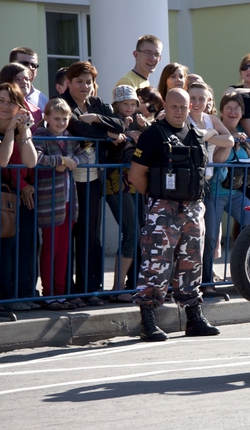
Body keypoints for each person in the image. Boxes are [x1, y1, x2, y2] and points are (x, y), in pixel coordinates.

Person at [128, 88, 219, 341]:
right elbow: (135, 175)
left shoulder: (196, 134)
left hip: (193, 208)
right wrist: (158, 200)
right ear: (165, 107)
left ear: (190, 108)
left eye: (183, 107)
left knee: (191, 264)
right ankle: (148, 320)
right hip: (164, 210)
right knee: (156, 264)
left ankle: (194, 318)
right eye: (174, 106)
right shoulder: (153, 135)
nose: (179, 111)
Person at [59, 61, 127, 297]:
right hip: (66, 177)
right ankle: (65, 289)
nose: (84, 86)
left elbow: (120, 123)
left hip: (93, 177)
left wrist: (97, 119)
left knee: (90, 233)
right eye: (79, 81)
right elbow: (77, 128)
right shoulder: (62, 103)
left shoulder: (97, 104)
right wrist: (108, 134)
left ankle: (89, 288)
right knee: (68, 234)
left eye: (88, 82)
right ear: (69, 82)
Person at [0, 83, 37, 311]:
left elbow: (30, 161)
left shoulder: (19, 123)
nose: (5, 106)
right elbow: (2, 159)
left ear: (19, 107)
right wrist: (12, 130)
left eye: (11, 102)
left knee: (3, 244)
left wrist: (23, 130)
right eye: (0, 101)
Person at [202, 92, 250, 292]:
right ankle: (206, 282)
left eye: (237, 109)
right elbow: (218, 159)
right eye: (229, 108)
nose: (233, 112)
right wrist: (230, 140)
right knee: (210, 237)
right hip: (214, 193)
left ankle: (248, 272)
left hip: (234, 193)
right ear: (221, 111)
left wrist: (243, 142)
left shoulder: (242, 133)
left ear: (242, 113)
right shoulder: (218, 132)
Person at [34, 99, 90, 310]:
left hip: (69, 200)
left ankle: (60, 292)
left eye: (65, 119)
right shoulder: (41, 135)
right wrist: (61, 161)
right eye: (56, 118)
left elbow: (85, 155)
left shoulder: (69, 137)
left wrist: (70, 161)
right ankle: (48, 293)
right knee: (50, 248)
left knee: (64, 249)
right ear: (46, 118)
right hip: (50, 201)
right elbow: (36, 157)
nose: (61, 122)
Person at [104, 85, 150, 301]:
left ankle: (122, 285)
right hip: (116, 183)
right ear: (116, 104)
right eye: (125, 103)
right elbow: (108, 143)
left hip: (135, 182)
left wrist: (143, 130)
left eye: (133, 103)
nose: (129, 107)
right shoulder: (112, 121)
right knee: (131, 232)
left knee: (135, 232)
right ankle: (117, 287)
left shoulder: (139, 121)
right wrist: (123, 133)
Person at [0, 47, 48, 113]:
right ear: (12, 65)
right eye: (24, 63)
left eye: (34, 65)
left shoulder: (42, 99)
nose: (30, 68)